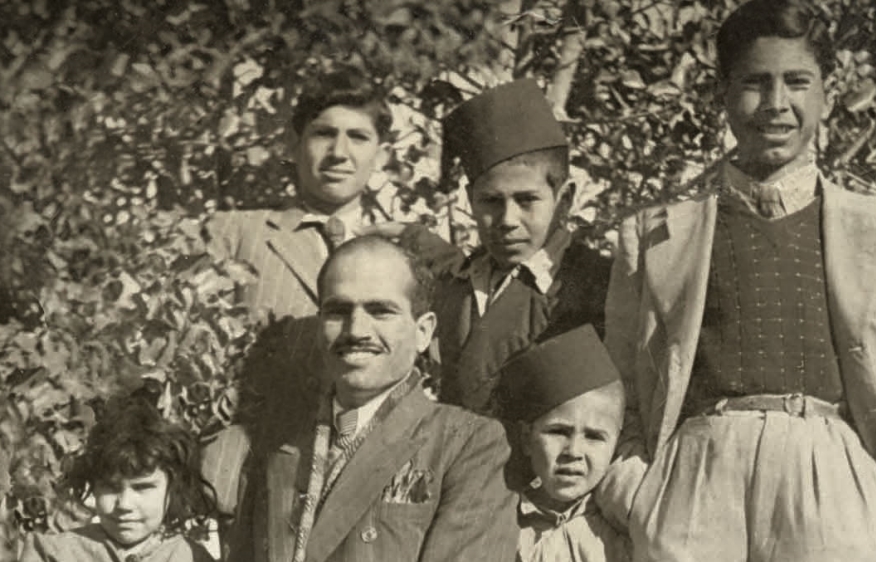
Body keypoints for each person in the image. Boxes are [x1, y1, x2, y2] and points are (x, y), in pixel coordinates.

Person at [597, 1, 876, 561]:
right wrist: (638, 496)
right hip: (691, 491)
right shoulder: (654, 235)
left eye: (797, 81)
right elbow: (614, 390)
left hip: (835, 495)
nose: (776, 104)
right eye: (754, 83)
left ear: (828, 91)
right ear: (722, 91)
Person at [225, 235, 519, 562]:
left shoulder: (468, 444)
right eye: (338, 311)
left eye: (381, 311)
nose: (356, 330)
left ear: (423, 331)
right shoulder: (277, 441)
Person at [201, 65, 394, 519]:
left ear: (382, 154)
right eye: (324, 133)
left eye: (358, 137)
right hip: (246, 487)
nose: (339, 152)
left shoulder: (409, 250)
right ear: (294, 144)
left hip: (366, 496)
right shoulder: (232, 235)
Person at [430, 78, 612, 418]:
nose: (507, 219)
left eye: (527, 200)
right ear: (470, 199)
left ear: (565, 199)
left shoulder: (597, 286)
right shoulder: (459, 282)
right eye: (491, 201)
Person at [20, 395, 215, 562]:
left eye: (142, 488)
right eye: (111, 487)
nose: (125, 504)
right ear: (94, 488)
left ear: (171, 488)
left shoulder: (191, 558)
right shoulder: (53, 553)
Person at [501, 325, 631, 562]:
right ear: (526, 438)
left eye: (594, 436)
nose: (574, 452)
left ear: (616, 444)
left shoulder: (621, 530)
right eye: (558, 431)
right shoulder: (500, 517)